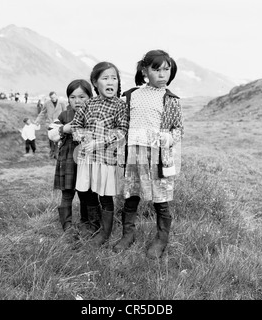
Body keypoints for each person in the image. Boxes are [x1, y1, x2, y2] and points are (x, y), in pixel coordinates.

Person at [113, 50, 184, 259]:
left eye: (167, 69)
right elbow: (122, 125)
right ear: (144, 70)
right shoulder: (130, 96)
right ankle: (128, 234)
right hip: (134, 155)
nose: (163, 74)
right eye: (157, 69)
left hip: (158, 158)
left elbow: (178, 130)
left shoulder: (171, 100)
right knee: (131, 196)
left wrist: (168, 139)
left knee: (160, 201)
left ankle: (161, 239)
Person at [71, 62, 129, 247]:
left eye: (114, 78)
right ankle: (93, 226)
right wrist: (83, 137)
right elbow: (75, 125)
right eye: (105, 78)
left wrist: (99, 142)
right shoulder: (89, 104)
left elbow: (122, 131)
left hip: (106, 160)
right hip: (87, 159)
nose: (111, 81)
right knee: (87, 191)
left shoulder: (120, 106)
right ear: (95, 83)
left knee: (105, 196)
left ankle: (104, 233)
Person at [53, 79, 101, 236]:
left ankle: (90, 223)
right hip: (68, 161)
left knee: (87, 193)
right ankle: (67, 226)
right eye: (72, 97)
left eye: (82, 97)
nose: (77, 101)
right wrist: (63, 129)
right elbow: (51, 134)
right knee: (67, 194)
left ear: (90, 97)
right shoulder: (64, 115)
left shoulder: (95, 115)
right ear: (68, 99)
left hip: (87, 160)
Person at [36, 91, 67, 159]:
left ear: (56, 96)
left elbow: (65, 112)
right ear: (50, 98)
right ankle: (52, 151)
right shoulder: (47, 103)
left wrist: (66, 122)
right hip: (50, 123)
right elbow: (42, 112)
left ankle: (56, 153)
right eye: (51, 98)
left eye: (54, 97)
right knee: (51, 138)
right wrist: (38, 120)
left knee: (58, 138)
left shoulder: (62, 102)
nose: (53, 99)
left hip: (59, 123)